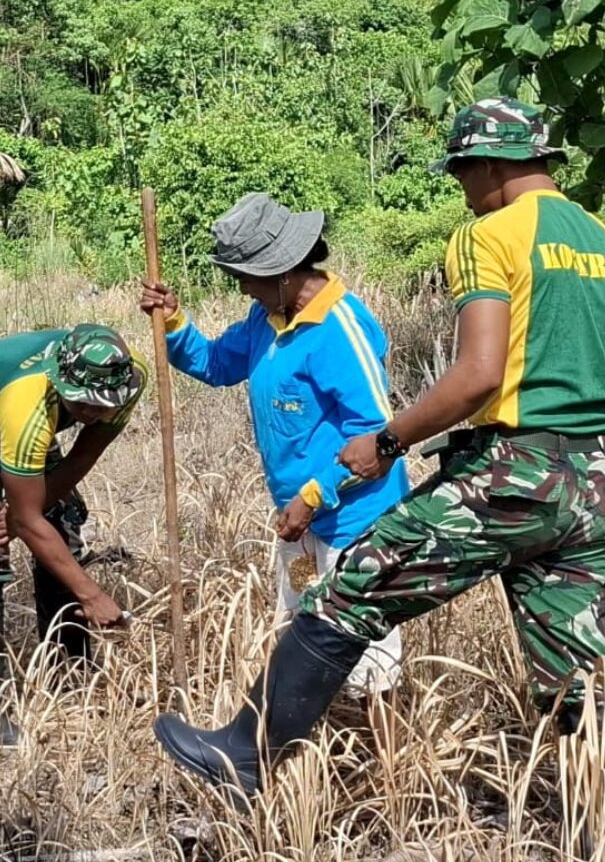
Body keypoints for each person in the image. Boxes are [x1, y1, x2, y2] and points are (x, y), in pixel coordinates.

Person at [153, 97, 605, 798]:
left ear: (490, 165)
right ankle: (600, 825)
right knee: (579, 678)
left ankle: (246, 754)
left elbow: (479, 375)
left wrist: (388, 441)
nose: (463, 191)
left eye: (462, 174)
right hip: (593, 483)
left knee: (351, 589)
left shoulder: (488, 235)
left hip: (512, 474)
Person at [140, 192, 409, 698]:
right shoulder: (264, 319)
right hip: (298, 521)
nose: (243, 287)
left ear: (283, 272)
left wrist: (313, 496)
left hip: (355, 522)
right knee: (303, 633)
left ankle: (381, 741)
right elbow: (216, 364)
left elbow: (379, 439)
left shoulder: (339, 329)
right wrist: (173, 321)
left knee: (366, 657)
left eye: (247, 277)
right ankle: (311, 737)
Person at [0, 324, 146, 743]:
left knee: (62, 523)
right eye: (81, 402)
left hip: (21, 417)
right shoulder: (29, 401)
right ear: (60, 381)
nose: (91, 412)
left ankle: (70, 670)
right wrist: (90, 593)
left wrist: (27, 513)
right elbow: (25, 520)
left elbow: (84, 453)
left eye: (101, 405)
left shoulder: (128, 379)